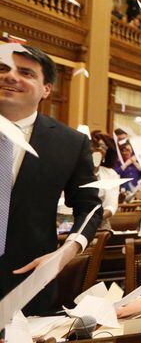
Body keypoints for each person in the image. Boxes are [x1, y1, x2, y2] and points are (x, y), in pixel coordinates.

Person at [0, 44, 101, 315]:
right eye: (2, 68)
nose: (10, 76)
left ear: (47, 88)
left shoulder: (70, 143)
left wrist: (66, 251)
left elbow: (90, 207)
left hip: (25, 283)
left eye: (26, 72)